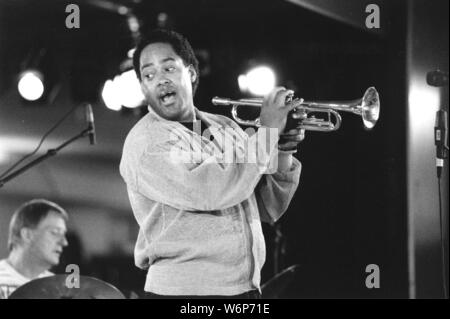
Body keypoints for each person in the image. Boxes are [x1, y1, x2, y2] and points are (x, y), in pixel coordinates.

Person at [120, 29, 305, 298]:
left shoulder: (225, 126)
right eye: (149, 75)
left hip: (242, 290)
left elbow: (266, 205)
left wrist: (283, 146)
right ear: (142, 87)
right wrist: (266, 133)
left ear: (192, 73)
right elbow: (210, 191)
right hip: (184, 293)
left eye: (169, 68)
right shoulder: (146, 143)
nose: (160, 80)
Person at [0, 199, 69, 299]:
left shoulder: (58, 288)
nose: (64, 242)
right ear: (27, 235)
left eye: (63, 234)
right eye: (55, 232)